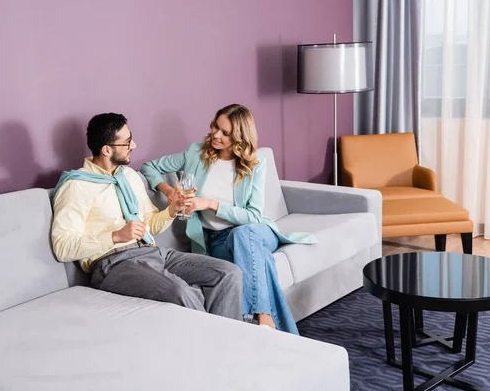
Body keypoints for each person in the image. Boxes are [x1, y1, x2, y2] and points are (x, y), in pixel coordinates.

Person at [141, 104, 317, 334]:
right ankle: (275, 329)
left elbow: (253, 216)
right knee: (260, 262)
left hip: (254, 232)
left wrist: (210, 204)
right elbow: (149, 167)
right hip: (215, 242)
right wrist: (168, 191)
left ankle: (250, 318)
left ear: (240, 138)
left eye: (225, 133)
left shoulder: (255, 164)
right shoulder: (196, 153)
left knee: (244, 234)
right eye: (215, 127)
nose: (216, 135)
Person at [50, 113, 243, 321]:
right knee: (182, 292)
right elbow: (63, 247)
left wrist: (172, 209)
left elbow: (149, 224)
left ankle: (225, 343)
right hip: (113, 264)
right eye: (126, 142)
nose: (134, 145)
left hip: (152, 252)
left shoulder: (129, 177)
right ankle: (208, 347)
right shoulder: (77, 186)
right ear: (107, 150)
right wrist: (115, 236)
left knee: (228, 273)